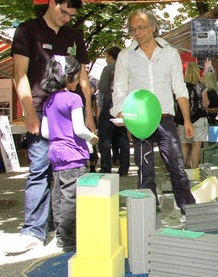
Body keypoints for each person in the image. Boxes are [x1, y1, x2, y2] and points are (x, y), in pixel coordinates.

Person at [7, 0, 93, 254]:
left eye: (72, 15)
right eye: (63, 11)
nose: (67, 18)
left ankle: (61, 226)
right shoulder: (27, 31)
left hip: (71, 111)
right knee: (39, 168)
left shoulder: (75, 36)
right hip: (41, 110)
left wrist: (89, 113)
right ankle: (33, 230)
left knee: (68, 173)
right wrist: (29, 112)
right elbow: (19, 74)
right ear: (52, 3)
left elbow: (84, 77)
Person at [111, 8, 195, 217]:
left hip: (165, 118)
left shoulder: (170, 53)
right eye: (133, 29)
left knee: (177, 167)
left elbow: (179, 88)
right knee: (144, 171)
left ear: (153, 27)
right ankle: (148, 216)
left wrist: (187, 120)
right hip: (139, 120)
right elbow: (120, 88)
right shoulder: (125, 56)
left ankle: (190, 212)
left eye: (141, 27)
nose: (137, 33)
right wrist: (122, 114)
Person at [39, 55, 98, 251]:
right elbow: (79, 129)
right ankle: (70, 240)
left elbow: (45, 132)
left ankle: (60, 236)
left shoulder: (49, 101)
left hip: (56, 155)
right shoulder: (74, 99)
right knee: (72, 198)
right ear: (69, 77)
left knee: (58, 195)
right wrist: (92, 138)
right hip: (73, 155)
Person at [98, 46, 129, 176]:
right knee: (123, 137)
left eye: (107, 56)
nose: (106, 59)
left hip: (109, 103)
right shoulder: (126, 67)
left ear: (111, 56)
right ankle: (124, 168)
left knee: (105, 138)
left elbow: (103, 88)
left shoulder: (108, 68)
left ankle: (106, 167)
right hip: (124, 104)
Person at [183, 62, 207, 169]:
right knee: (196, 145)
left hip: (183, 119)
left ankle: (182, 170)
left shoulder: (182, 86)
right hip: (199, 118)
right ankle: (194, 170)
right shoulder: (201, 86)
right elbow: (206, 103)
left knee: (184, 145)